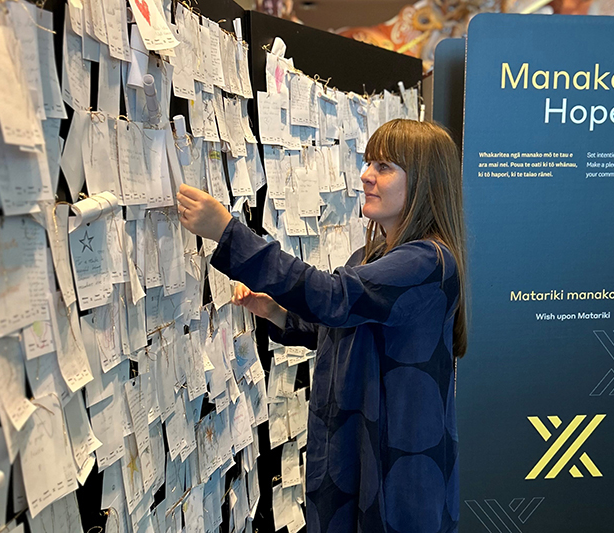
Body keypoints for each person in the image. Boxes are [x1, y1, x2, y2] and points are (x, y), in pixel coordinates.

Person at [177, 119, 466, 533]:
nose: (366, 175)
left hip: (396, 467)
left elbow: (333, 297)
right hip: (355, 455)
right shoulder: (371, 256)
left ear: (423, 181)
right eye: (368, 163)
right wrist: (278, 314)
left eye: (384, 166)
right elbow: (346, 330)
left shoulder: (427, 262)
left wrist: (228, 233)